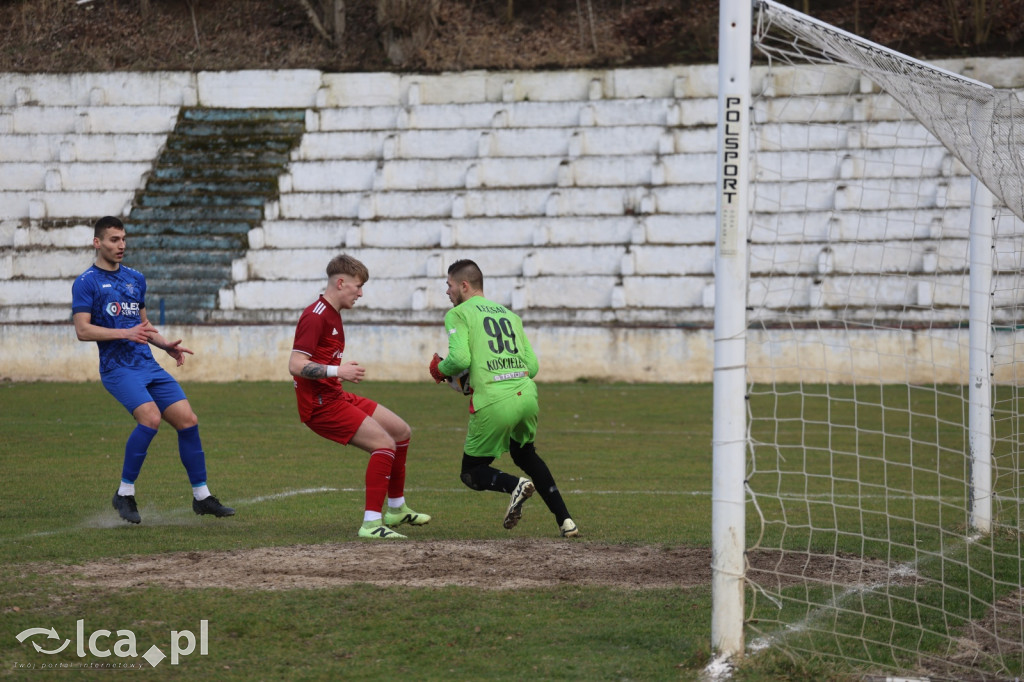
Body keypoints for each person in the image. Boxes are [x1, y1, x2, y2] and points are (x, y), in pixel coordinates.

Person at [72, 216, 235, 524]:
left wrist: (164, 345)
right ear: (98, 243)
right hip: (117, 368)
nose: (121, 245)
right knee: (150, 417)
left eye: (123, 239)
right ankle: (124, 493)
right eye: (113, 240)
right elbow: (82, 330)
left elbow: (143, 327)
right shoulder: (86, 282)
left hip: (147, 364)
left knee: (188, 420)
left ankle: (202, 497)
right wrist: (124, 334)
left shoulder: (136, 278)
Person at [429, 258, 579, 538]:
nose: (446, 292)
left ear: (464, 285)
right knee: (526, 454)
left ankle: (516, 486)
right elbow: (532, 367)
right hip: (526, 397)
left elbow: (460, 358)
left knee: (472, 472)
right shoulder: (510, 316)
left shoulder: (458, 314)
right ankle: (566, 521)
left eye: (449, 286)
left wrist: (440, 370)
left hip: (494, 401)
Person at [289, 254, 430, 540]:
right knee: (384, 445)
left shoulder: (333, 313)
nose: (361, 293)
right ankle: (371, 523)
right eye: (357, 286)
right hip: (320, 407)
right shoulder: (315, 315)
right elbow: (296, 364)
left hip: (336, 396)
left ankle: (396, 508)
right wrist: (336, 369)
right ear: (341, 283)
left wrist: (335, 371)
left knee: (401, 432)